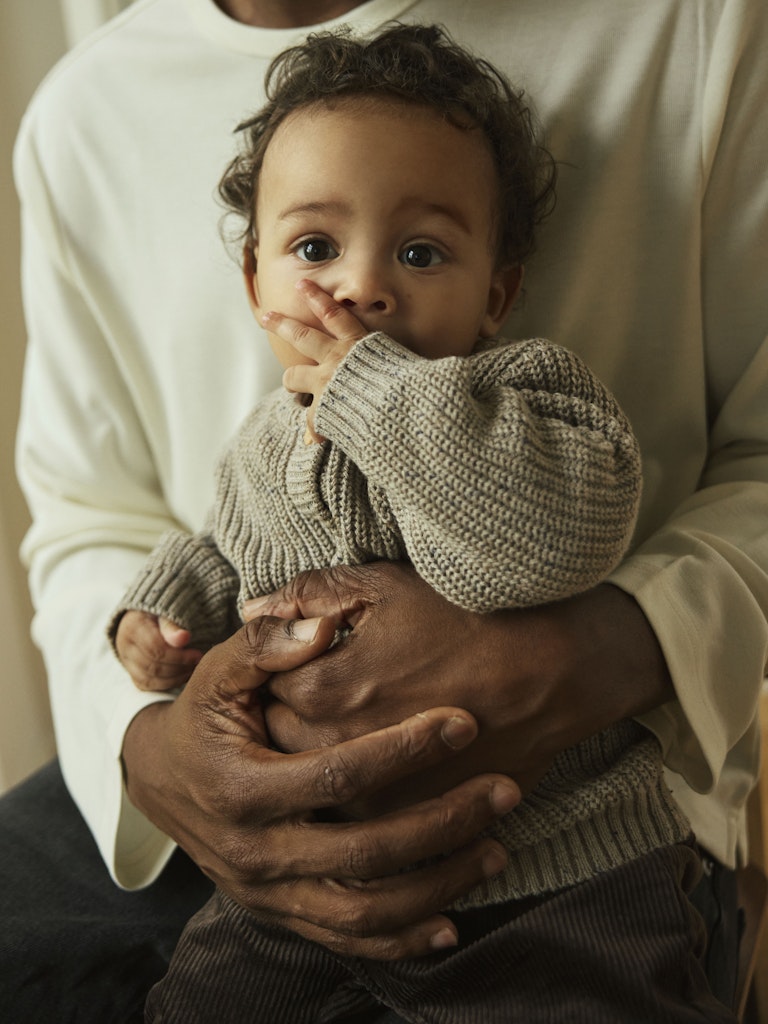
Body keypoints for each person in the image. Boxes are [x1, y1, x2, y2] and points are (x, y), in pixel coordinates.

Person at [5, 0, 765, 1019]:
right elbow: (174, 530)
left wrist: (372, 386)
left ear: (499, 295)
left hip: (550, 863)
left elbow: (529, 551)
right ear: (253, 276)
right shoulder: (86, 117)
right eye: (315, 249)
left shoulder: (536, 395)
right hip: (268, 845)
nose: (359, 286)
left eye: (418, 256)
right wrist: (154, 651)